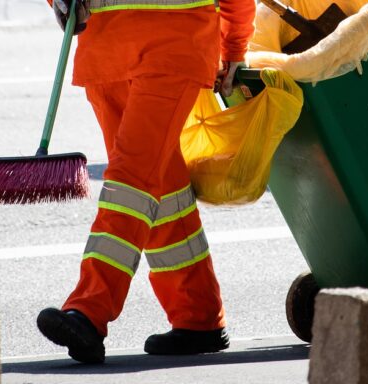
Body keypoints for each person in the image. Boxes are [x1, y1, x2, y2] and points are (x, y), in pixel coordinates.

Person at [37, 0, 256, 363]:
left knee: (131, 182)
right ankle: (198, 316)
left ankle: (89, 309)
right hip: (105, 50)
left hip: (172, 45)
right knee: (162, 188)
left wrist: (235, 45)